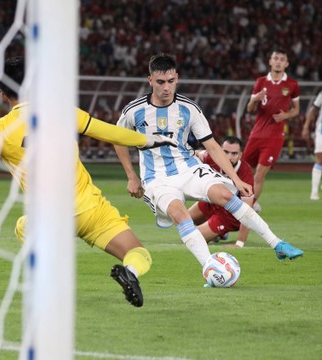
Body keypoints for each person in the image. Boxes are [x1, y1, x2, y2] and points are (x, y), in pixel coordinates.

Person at [0, 56, 177, 307]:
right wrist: (149, 139)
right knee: (139, 253)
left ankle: (48, 274)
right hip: (91, 210)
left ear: (3, 95)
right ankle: (131, 272)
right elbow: (111, 133)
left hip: (49, 218)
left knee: (22, 226)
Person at [113, 54, 303, 276]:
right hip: (157, 179)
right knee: (179, 214)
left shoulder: (189, 108)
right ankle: (211, 268)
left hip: (188, 168)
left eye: (171, 81)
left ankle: (277, 244)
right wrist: (131, 176)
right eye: (160, 82)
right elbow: (118, 139)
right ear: (150, 81)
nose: (167, 87)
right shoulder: (134, 110)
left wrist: (236, 178)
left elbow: (212, 146)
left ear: (177, 78)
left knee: (225, 195)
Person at [243, 49, 300, 203]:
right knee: (241, 169)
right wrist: (255, 99)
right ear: (270, 61)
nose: (279, 61)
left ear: (286, 64)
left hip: (275, 136)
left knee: (260, 173)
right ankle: (237, 202)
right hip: (256, 134)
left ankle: (249, 206)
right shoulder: (261, 82)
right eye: (276, 58)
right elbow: (249, 109)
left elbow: (296, 110)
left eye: (282, 59)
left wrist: (285, 115)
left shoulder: (292, 84)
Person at [187, 136, 261, 248]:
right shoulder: (212, 157)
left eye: (234, 153)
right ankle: (218, 233)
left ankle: (219, 229)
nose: (229, 157)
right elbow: (198, 153)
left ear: (240, 155)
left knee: (192, 240)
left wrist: (239, 244)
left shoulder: (246, 174)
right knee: (183, 220)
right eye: (225, 152)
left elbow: (247, 212)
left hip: (230, 215)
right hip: (213, 201)